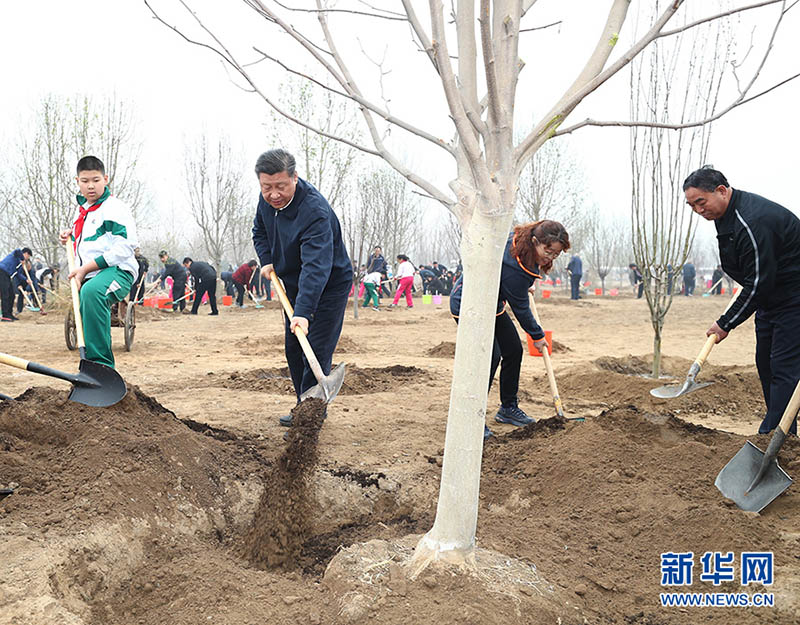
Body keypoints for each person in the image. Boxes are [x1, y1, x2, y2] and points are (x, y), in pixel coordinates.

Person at [684, 166, 800, 435]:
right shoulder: (727, 216)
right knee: (766, 363)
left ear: (722, 191)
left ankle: (773, 436)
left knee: (784, 368)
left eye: (701, 202)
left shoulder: (753, 220)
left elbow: (759, 282)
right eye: (692, 206)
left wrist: (726, 322)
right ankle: (783, 433)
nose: (699, 211)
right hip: (771, 299)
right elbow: (754, 278)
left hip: (794, 297)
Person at [252, 149, 352, 427]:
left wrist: (304, 312)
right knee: (294, 350)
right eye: (266, 187)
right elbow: (259, 231)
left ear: (294, 177)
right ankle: (304, 406)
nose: (274, 194)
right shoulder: (266, 204)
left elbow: (317, 266)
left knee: (316, 348)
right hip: (294, 284)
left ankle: (309, 419)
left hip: (329, 284)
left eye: (280, 186)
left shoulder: (314, 211)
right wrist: (267, 260)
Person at [450, 220, 570, 440]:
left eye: (556, 254)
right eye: (548, 251)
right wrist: (537, 335)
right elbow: (521, 308)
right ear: (535, 241)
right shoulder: (515, 265)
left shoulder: (520, 244)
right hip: (469, 305)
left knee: (513, 350)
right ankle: (471, 418)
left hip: (491, 306)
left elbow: (512, 283)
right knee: (490, 356)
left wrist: (525, 284)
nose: (550, 257)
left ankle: (507, 408)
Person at [57, 155, 138, 368]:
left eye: (95, 180)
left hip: (118, 270)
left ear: (106, 179)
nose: (90, 186)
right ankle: (91, 367)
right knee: (87, 296)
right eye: (85, 181)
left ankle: (101, 368)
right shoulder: (81, 211)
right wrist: (70, 236)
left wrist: (84, 270)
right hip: (91, 274)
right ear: (77, 182)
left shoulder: (114, 208)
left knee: (92, 293)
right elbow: (89, 244)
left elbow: (124, 246)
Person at [0, 247, 32, 322]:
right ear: (25, 254)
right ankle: (5, 315)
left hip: (7, 275)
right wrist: (22, 259)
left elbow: (17, 273)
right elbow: (17, 250)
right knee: (5, 294)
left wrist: (26, 280)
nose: (27, 258)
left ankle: (9, 314)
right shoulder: (15, 255)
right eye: (28, 256)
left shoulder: (18, 262)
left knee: (12, 295)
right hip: (1, 272)